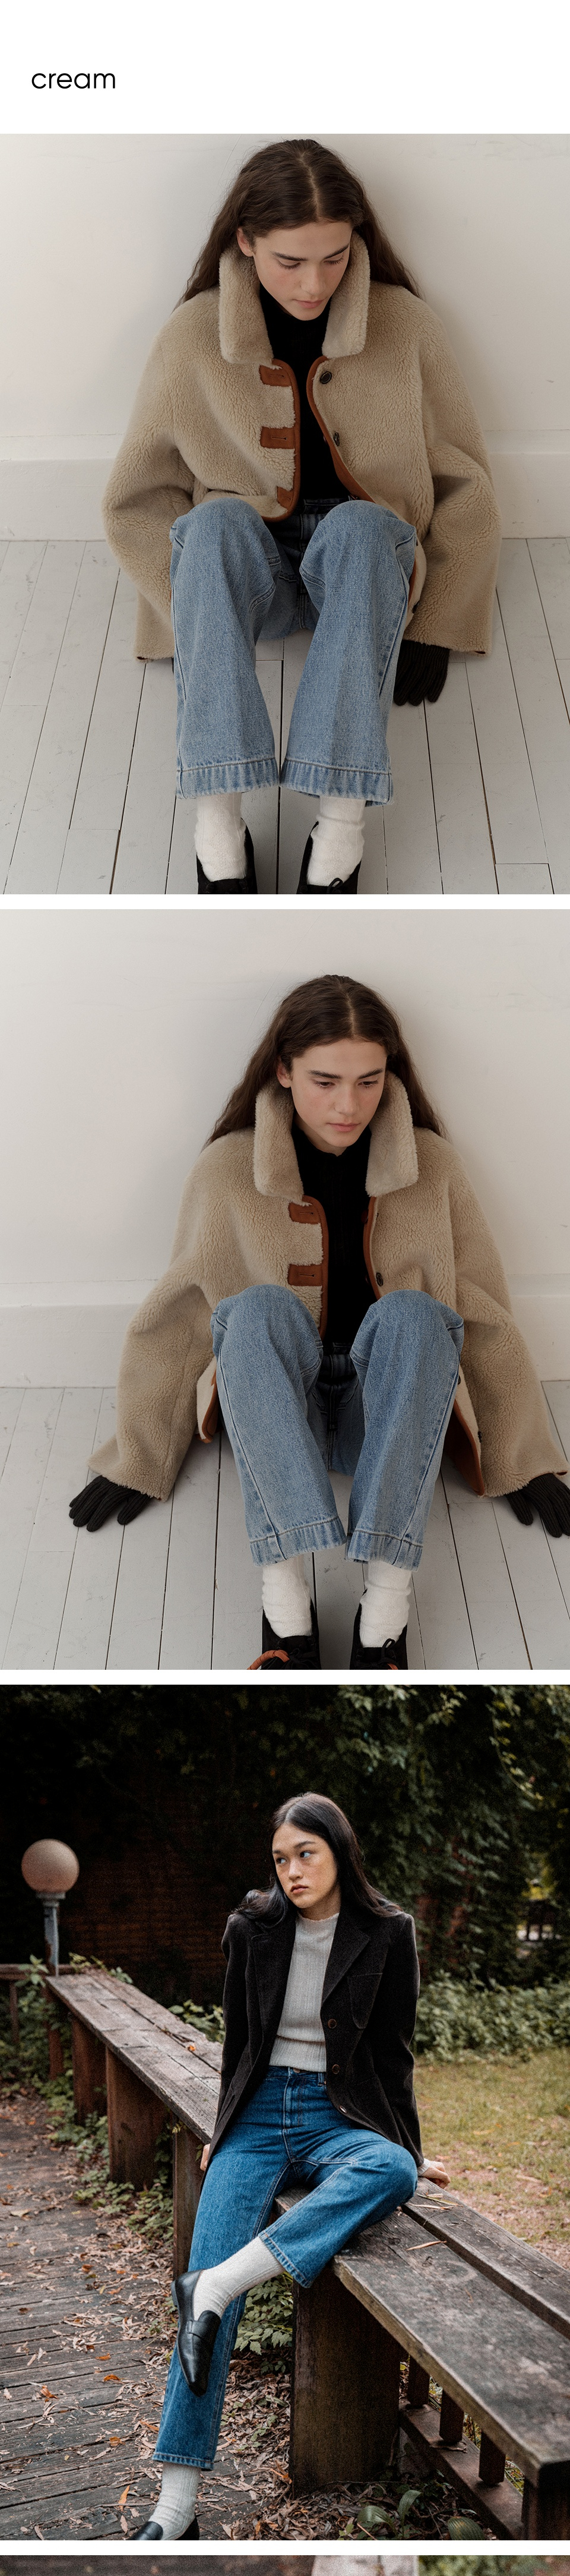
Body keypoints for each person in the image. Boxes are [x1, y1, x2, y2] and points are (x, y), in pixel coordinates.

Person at [69, 975, 569, 1673]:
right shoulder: (226, 1170)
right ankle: (285, 1606)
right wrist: (142, 1454)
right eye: (325, 1081)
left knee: (417, 1314)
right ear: (283, 1070)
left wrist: (521, 1453)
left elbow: (480, 1307)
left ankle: (386, 1610)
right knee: (254, 1311)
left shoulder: (433, 1166)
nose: (348, 1105)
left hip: (386, 1407)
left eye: (369, 1081)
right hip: (278, 1407)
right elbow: (182, 1319)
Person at [102, 138, 502, 895]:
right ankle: (218, 826)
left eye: (335, 257)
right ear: (246, 242)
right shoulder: (193, 334)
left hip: (364, 563)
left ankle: (341, 827)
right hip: (250, 564)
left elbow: (466, 480)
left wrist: (439, 619)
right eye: (290, 261)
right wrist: (190, 610)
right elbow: (138, 498)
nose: (315, 283)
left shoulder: (406, 325)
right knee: (212, 526)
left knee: (362, 526)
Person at [132, 1791, 449, 2542]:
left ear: (339, 1850)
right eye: (281, 1859)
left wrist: (408, 2147)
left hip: (339, 2114)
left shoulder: (388, 1932)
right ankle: (174, 2511)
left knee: (393, 2172)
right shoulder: (252, 1929)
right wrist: (224, 2130)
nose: (293, 1871)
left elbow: (394, 2058)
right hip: (258, 2117)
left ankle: (217, 2285)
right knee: (204, 2312)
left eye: (306, 1853)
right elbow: (240, 2044)